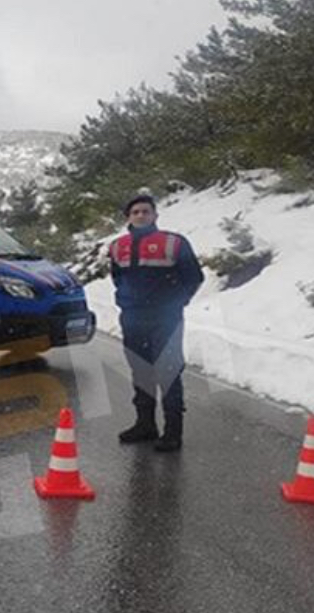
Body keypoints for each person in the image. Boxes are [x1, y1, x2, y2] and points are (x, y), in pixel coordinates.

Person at [108, 194, 204, 452]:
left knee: (168, 372)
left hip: (166, 319)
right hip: (132, 318)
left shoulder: (174, 242)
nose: (141, 215)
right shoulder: (117, 246)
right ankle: (145, 425)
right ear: (128, 218)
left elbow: (194, 277)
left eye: (146, 211)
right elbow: (117, 277)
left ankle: (173, 432)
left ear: (155, 215)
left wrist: (176, 302)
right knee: (141, 372)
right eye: (135, 212)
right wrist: (126, 300)